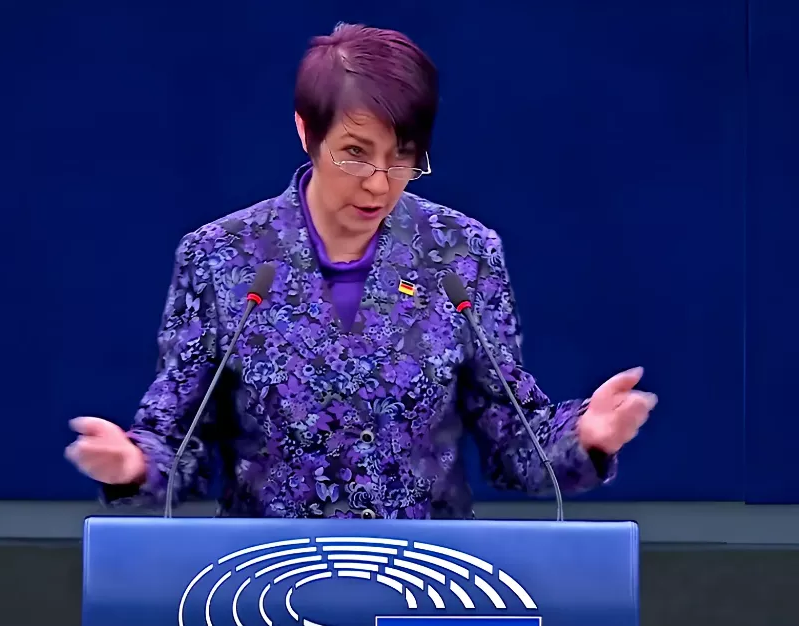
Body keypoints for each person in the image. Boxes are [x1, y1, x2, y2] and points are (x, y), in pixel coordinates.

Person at [65, 22, 657, 519]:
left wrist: (583, 438)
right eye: (355, 153)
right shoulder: (223, 255)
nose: (379, 183)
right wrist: (134, 465)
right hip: (268, 577)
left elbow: (512, 436)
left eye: (403, 157)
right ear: (306, 130)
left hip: (425, 580)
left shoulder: (460, 252)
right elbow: (178, 439)